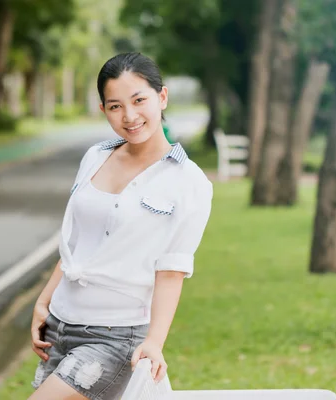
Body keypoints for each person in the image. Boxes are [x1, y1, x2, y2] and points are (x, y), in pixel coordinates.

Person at [28, 52, 213, 400]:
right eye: (115, 106)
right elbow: (78, 244)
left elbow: (171, 271)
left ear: (162, 97)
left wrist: (154, 343)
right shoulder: (95, 157)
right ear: (103, 110)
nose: (129, 116)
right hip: (61, 325)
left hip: (115, 336)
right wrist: (44, 301)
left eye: (139, 100)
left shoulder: (190, 182)